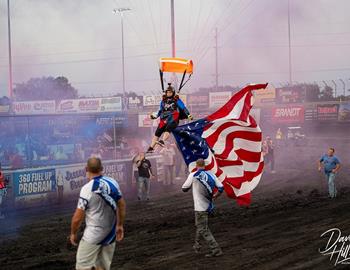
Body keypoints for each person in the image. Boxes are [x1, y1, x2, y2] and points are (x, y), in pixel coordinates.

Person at [70, 157, 126, 270]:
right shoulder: (112, 182)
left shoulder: (87, 188)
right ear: (102, 168)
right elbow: (122, 204)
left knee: (82, 266)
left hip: (93, 235)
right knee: (103, 267)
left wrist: (73, 233)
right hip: (110, 234)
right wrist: (120, 225)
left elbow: (77, 217)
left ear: (86, 169)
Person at [182, 158, 224, 257]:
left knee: (203, 228)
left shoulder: (193, 175)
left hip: (199, 207)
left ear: (196, 165)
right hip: (209, 206)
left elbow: (184, 188)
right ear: (204, 165)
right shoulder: (211, 174)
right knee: (200, 226)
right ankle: (197, 245)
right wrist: (215, 196)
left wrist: (191, 185)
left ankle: (216, 249)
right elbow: (221, 188)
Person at [147, 83, 193, 153]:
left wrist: (188, 115)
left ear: (173, 93)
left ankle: (163, 140)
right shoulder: (163, 101)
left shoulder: (176, 100)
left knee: (167, 129)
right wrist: (154, 116)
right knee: (157, 133)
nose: (168, 93)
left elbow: (183, 107)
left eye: (170, 92)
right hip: (164, 119)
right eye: (167, 92)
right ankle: (151, 148)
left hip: (173, 118)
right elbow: (159, 110)